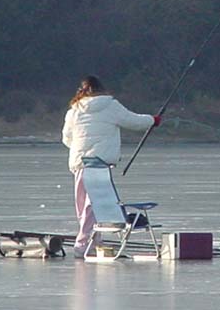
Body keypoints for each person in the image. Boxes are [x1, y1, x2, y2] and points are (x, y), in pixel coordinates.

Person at [61, 75, 161, 258]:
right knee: (94, 204)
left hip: (79, 163)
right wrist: (152, 120)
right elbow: (133, 121)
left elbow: (67, 139)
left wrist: (80, 149)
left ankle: (93, 241)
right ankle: (83, 244)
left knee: (83, 205)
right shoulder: (110, 106)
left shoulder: (74, 111)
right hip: (99, 164)